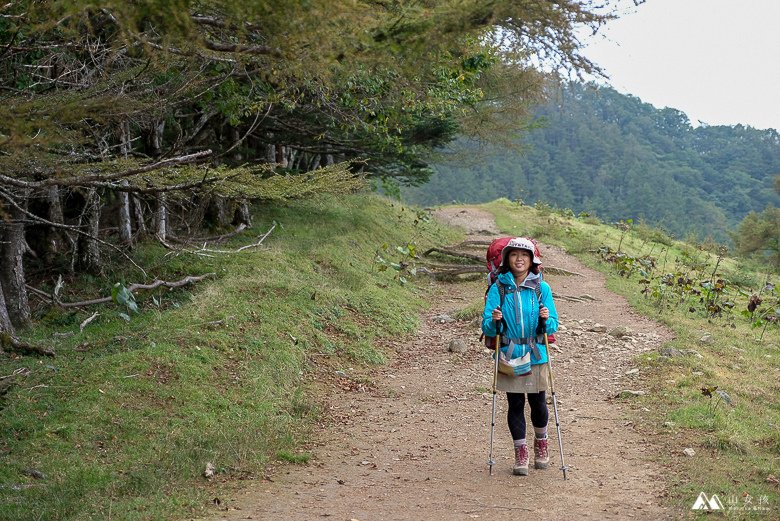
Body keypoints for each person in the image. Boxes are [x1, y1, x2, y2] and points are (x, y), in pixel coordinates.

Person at [481, 237, 559, 476]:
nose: (519, 259)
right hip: (509, 353)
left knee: (538, 401)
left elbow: (553, 325)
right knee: (515, 403)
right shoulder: (499, 288)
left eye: (524, 256)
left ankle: (541, 443)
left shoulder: (541, 288)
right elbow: (486, 327)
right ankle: (521, 452)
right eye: (514, 255)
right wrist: (494, 322)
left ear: (531, 260)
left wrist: (546, 319)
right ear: (506, 259)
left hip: (536, 352)